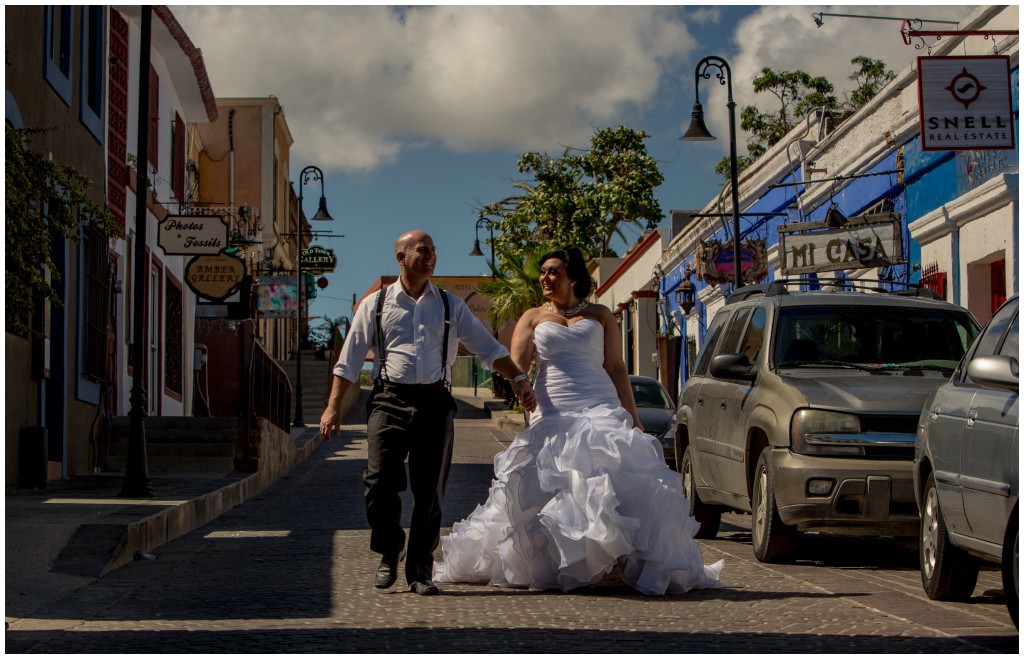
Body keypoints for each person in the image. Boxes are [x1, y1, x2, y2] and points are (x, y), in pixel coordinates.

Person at [433, 246, 724, 595]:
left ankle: (615, 560)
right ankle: (562, 562)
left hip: (599, 402)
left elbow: (616, 367)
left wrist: (631, 416)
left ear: (573, 277)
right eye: (542, 271)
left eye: (553, 271)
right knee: (557, 484)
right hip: (553, 408)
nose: (545, 277)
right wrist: (520, 385)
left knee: (607, 474)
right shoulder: (532, 317)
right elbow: (518, 364)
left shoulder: (602, 316)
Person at [319, 230, 537, 596]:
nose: (431, 255)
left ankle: (420, 569)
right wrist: (332, 407)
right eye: (422, 250)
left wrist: (516, 376)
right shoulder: (375, 304)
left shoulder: (451, 305)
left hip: (436, 401)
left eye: (434, 250)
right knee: (378, 481)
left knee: (430, 490)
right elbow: (348, 360)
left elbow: (489, 348)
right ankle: (391, 547)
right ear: (400, 258)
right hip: (388, 398)